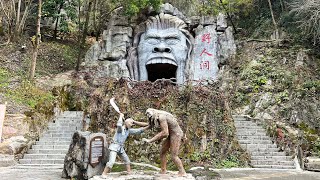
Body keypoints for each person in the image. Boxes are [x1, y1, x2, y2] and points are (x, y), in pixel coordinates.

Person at [102, 113, 149, 177]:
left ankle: (129, 173)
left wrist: (148, 126)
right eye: (130, 123)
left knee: (127, 161)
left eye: (132, 124)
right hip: (114, 147)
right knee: (111, 162)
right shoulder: (120, 129)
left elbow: (138, 131)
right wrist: (121, 116)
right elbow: (119, 124)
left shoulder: (128, 130)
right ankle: (104, 174)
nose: (131, 125)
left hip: (120, 148)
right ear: (126, 123)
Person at [142, 108, 186, 176]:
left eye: (149, 114)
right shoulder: (155, 117)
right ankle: (163, 170)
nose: (148, 115)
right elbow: (149, 125)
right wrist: (134, 122)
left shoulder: (161, 117)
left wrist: (150, 140)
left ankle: (182, 172)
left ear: (153, 112)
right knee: (162, 151)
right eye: (147, 114)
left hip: (176, 134)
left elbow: (165, 133)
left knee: (174, 155)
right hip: (171, 134)